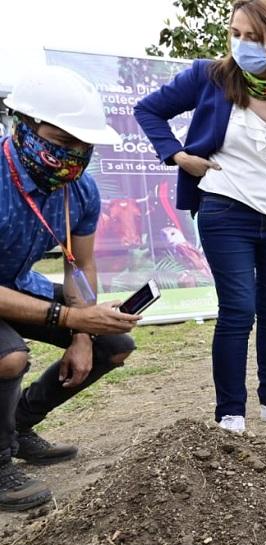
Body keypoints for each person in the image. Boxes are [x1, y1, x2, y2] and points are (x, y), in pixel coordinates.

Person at [136, 0, 266, 433]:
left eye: (253, 37)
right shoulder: (210, 76)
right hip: (226, 209)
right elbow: (148, 110)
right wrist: (179, 156)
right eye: (235, 33)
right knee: (239, 308)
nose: (241, 44)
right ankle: (230, 412)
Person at [1, 66, 140, 511]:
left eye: (84, 145)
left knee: (112, 344)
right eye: (62, 143)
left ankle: (19, 426)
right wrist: (70, 318)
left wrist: (83, 334)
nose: (74, 155)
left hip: (20, 284)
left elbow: (81, 263)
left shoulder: (79, 190)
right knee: (9, 357)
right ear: (22, 125)